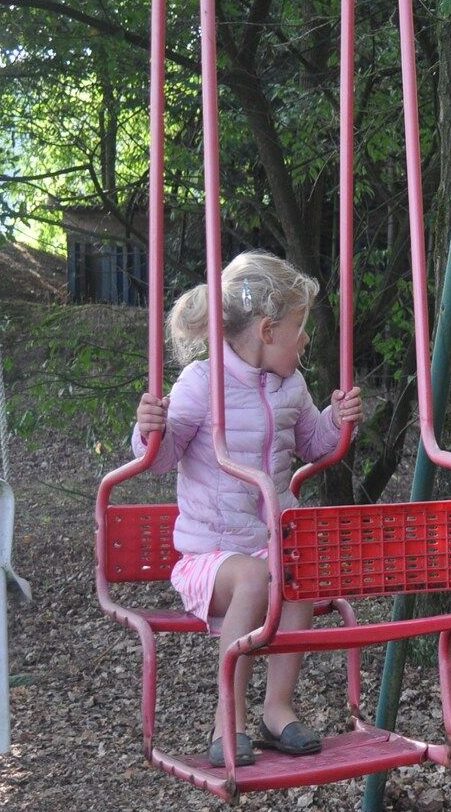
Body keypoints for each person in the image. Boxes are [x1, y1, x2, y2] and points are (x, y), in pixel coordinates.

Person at [133, 251, 362, 767]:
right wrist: (150, 431)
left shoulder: (291, 386)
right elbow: (161, 459)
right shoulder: (201, 383)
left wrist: (336, 420)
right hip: (209, 560)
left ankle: (277, 709)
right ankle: (227, 717)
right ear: (267, 331)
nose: (306, 339)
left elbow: (314, 444)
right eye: (299, 327)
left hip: (268, 546)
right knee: (258, 577)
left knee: (301, 570)